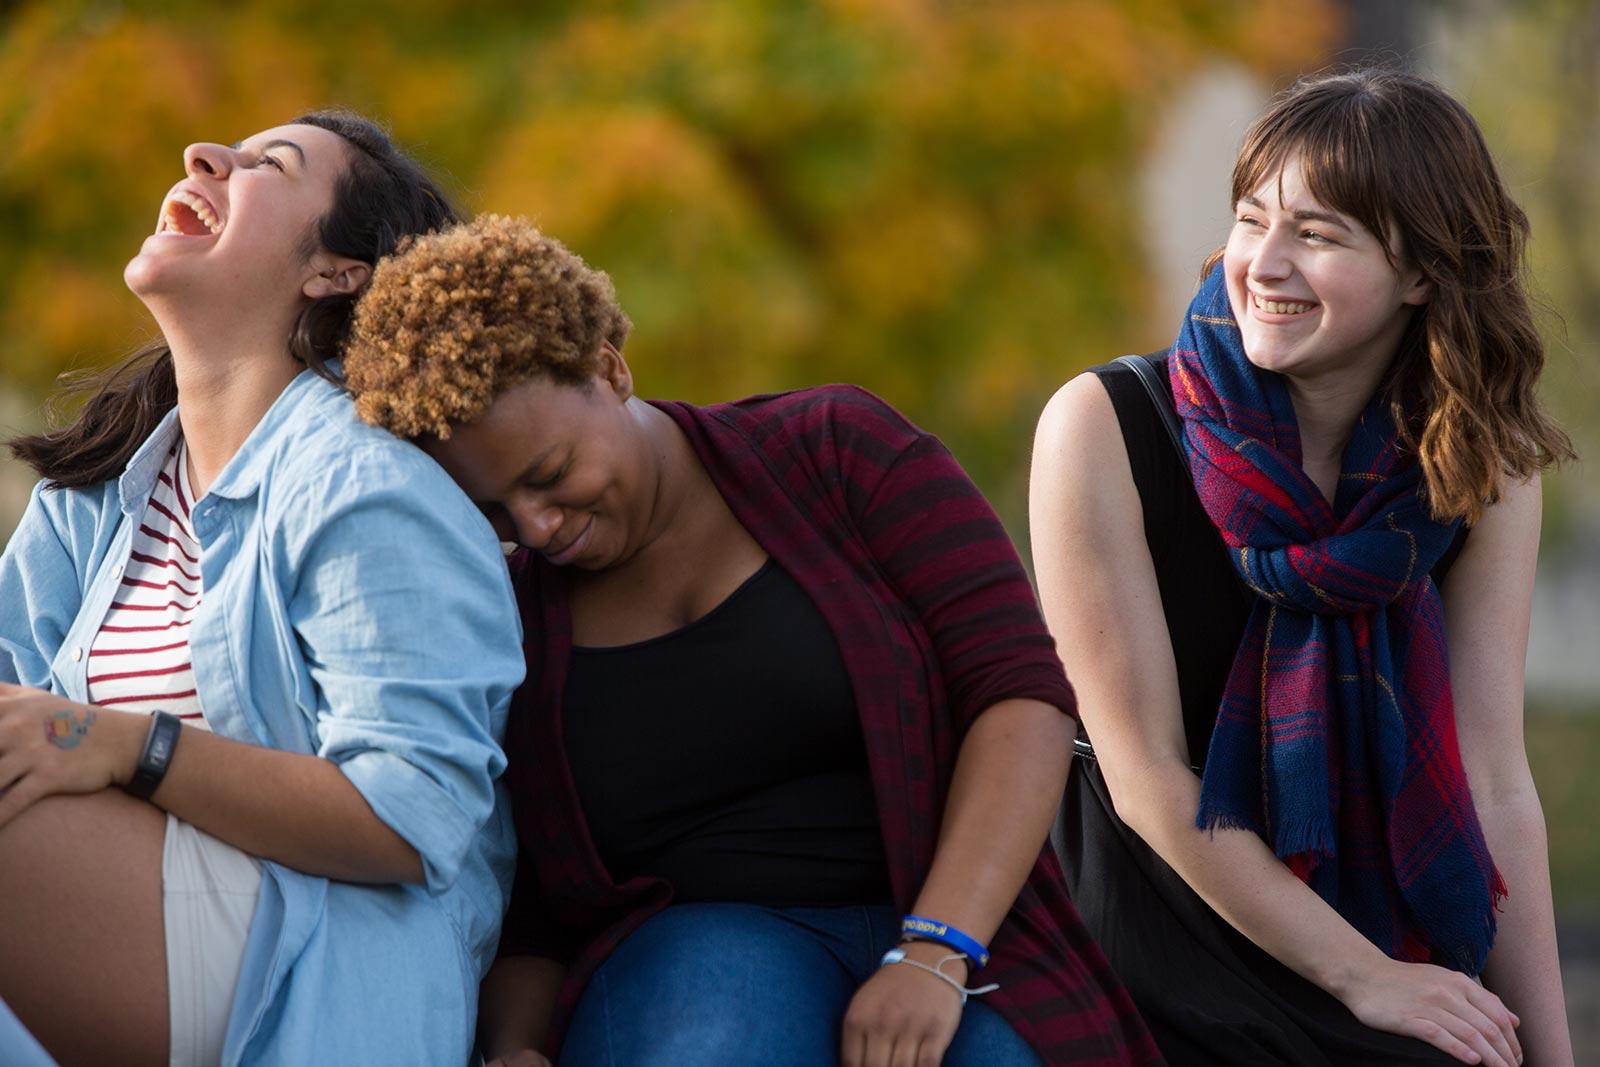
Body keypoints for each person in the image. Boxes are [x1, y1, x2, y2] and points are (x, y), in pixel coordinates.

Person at [339, 214, 1162, 1066]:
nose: (539, 528)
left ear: (608, 369)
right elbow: (534, 895)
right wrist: (514, 1046)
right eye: (497, 511)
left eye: (548, 476)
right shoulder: (510, 614)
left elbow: (1017, 693)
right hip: (695, 957)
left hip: (957, 923)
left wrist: (934, 949)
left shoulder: (842, 451)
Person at [1030, 68, 1576, 1067]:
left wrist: (1548, 1053)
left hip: (1368, 903)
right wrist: (1369, 978)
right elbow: (1145, 774)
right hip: (1149, 902)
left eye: (1317, 235)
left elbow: (1491, 776)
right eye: (1250, 220)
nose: (1261, 264)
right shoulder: (1103, 425)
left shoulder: (1478, 462)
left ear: (1420, 272)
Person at [0, 112, 524, 1066]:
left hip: (315, 962)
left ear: (335, 270)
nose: (205, 156)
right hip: (123, 923)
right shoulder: (90, 503)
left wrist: (128, 746)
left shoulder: (372, 488)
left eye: (267, 165)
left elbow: (412, 813)